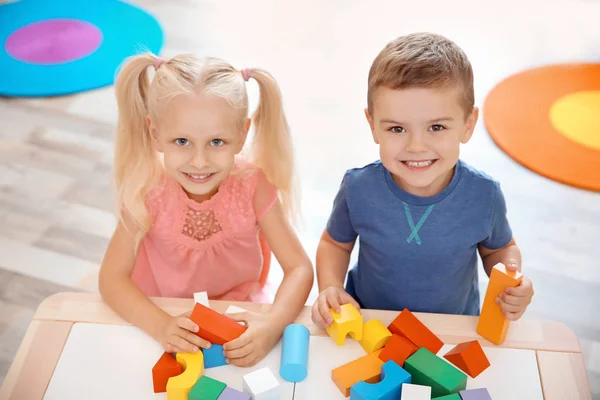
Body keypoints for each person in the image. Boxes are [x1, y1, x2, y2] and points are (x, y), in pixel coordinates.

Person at [99, 53, 313, 367]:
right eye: (182, 141)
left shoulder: (253, 186)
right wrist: (161, 325)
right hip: (161, 313)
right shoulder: (146, 191)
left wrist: (272, 326)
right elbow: (111, 279)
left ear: (242, 134)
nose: (199, 162)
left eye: (216, 142)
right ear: (155, 133)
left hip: (240, 315)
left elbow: (299, 268)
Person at [311, 32, 534, 330]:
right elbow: (334, 244)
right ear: (373, 126)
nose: (416, 146)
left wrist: (512, 278)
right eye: (397, 129)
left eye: (436, 127)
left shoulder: (484, 195)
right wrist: (330, 286)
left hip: (451, 327)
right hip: (369, 322)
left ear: (467, 126)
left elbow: (498, 249)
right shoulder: (358, 187)